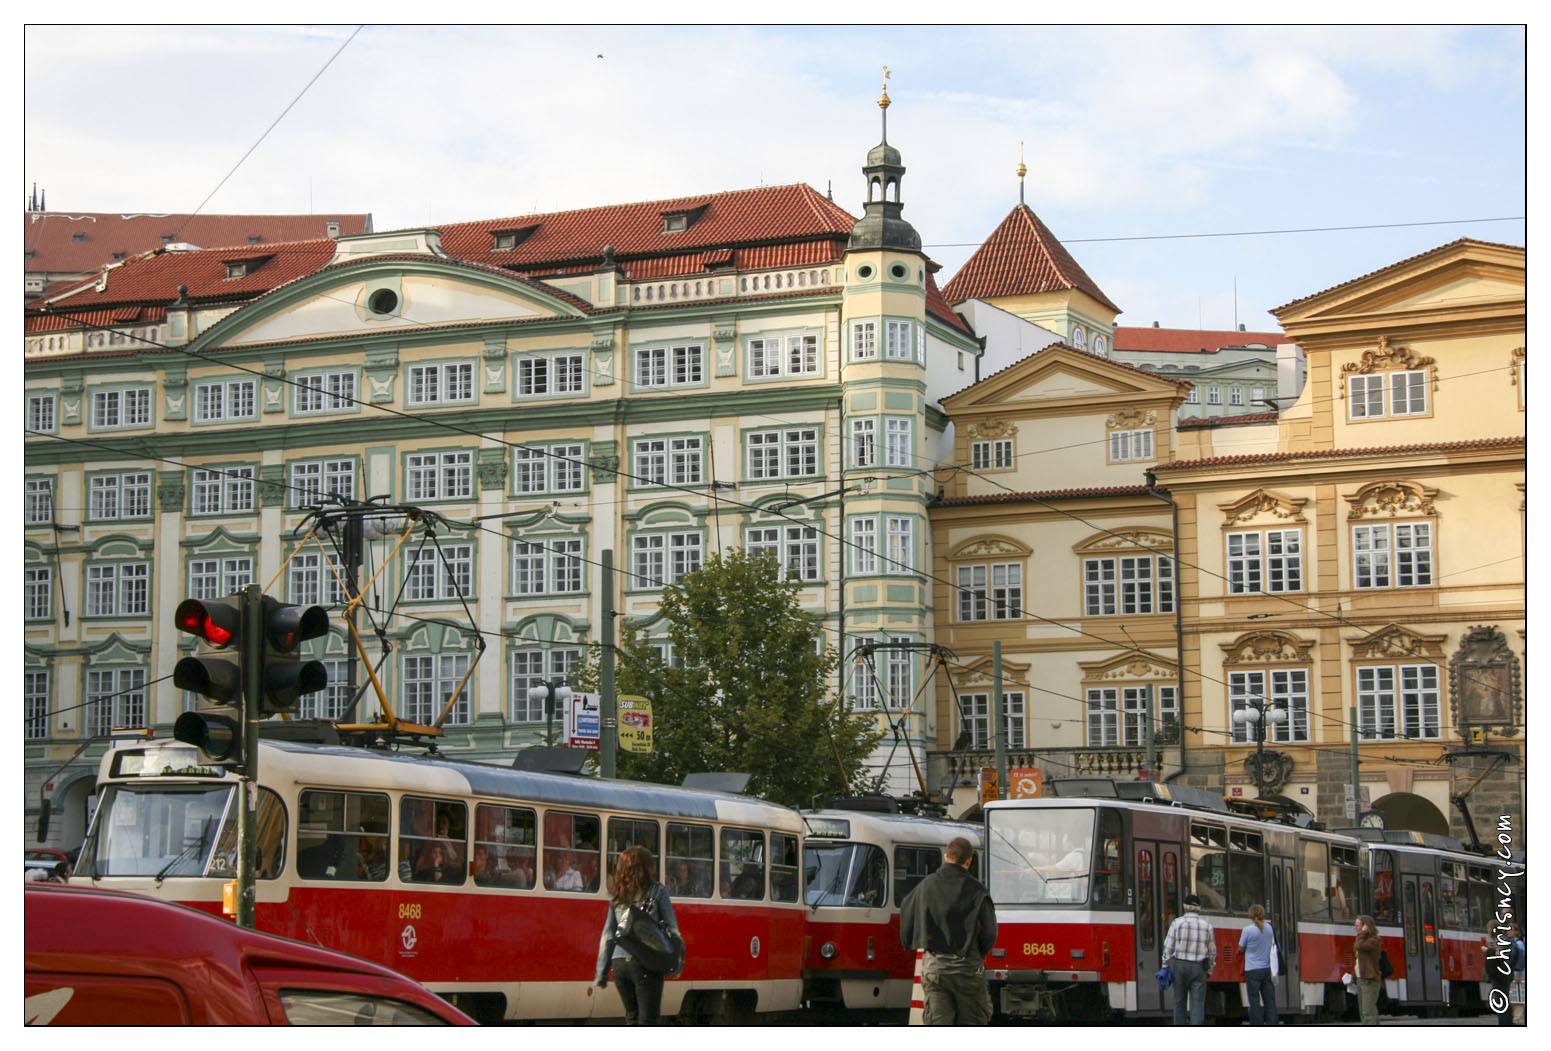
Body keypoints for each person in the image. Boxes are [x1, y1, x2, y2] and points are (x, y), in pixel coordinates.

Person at [898, 836, 997, 1025]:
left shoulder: (925, 886)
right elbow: (990, 932)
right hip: (967, 971)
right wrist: (976, 953)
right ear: (969, 860)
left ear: (946, 857)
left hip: (935, 970)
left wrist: (918, 940)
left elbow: (906, 908)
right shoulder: (977, 890)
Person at [595, 845, 679, 1025]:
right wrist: (677, 962)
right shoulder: (658, 891)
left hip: (619, 967)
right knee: (648, 1021)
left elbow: (608, 936)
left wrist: (601, 973)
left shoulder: (618, 896)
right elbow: (673, 929)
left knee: (632, 1018)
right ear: (648, 867)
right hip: (645, 963)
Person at [1162, 893, 1215, 1025]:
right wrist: (1209, 970)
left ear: (1185, 907)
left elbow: (1168, 946)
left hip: (1180, 966)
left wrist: (1165, 965)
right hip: (1199, 968)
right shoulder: (1207, 926)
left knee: (1179, 1002)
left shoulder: (1177, 923)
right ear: (1199, 908)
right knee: (1198, 1004)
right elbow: (1212, 951)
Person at [1238, 904, 1277, 1025]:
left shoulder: (1247, 930)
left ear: (1250, 915)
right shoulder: (1269, 928)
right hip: (1266, 969)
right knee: (1269, 1001)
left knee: (1254, 1001)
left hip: (1252, 970)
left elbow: (1241, 948)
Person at [1353, 914, 1382, 1026]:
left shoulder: (1374, 940)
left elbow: (1359, 946)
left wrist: (1362, 933)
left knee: (1367, 1012)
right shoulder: (1365, 940)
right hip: (1362, 979)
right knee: (1365, 1011)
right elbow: (1359, 962)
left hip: (1369, 980)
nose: (1356, 928)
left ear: (1366, 926)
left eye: (1358, 926)